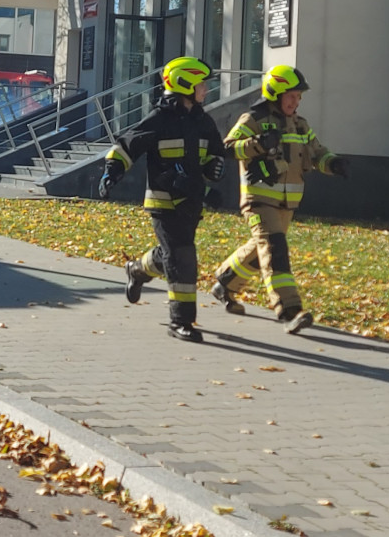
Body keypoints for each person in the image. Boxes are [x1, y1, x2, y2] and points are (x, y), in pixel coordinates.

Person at [96, 56, 226, 343]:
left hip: (191, 201)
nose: (206, 89)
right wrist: (111, 174)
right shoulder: (159, 119)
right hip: (163, 202)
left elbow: (216, 151)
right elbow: (127, 145)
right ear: (186, 84)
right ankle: (181, 321)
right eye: (202, 84)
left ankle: (138, 270)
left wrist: (215, 166)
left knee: (172, 253)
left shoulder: (203, 120)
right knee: (182, 256)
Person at [213, 64, 347, 335]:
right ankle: (288, 310)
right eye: (291, 96)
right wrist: (259, 144)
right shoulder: (253, 119)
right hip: (258, 199)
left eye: (298, 97)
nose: (295, 102)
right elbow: (227, 148)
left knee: (261, 247)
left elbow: (316, 151)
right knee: (275, 250)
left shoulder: (300, 124)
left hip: (288, 202)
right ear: (275, 92)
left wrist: (332, 164)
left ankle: (225, 282)